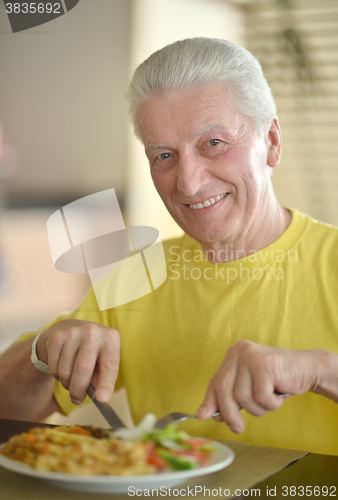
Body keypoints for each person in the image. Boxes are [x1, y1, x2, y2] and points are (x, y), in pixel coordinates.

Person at [1, 38, 338, 455]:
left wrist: (320, 370)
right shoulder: (136, 278)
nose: (189, 182)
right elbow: (8, 411)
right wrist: (40, 350)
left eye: (213, 143)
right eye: (164, 155)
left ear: (271, 141)